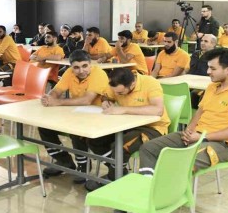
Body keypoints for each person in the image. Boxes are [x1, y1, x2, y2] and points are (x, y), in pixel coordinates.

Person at [138, 47, 228, 174]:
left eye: (213, 69)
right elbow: (200, 113)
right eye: (208, 67)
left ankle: (166, 185)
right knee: (148, 148)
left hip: (223, 144)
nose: (208, 72)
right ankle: (149, 181)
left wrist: (203, 137)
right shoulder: (212, 87)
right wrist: (188, 132)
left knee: (179, 162)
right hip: (197, 135)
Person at [85, 68, 170, 190]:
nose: (117, 95)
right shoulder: (116, 84)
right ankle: (120, 171)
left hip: (152, 128)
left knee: (121, 147)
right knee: (95, 139)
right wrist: (105, 101)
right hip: (127, 125)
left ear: (133, 84)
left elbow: (158, 110)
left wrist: (123, 109)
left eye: (120, 93)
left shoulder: (150, 83)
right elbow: (106, 96)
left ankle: (113, 177)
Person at [40, 50, 110, 181]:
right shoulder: (69, 73)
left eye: (85, 66)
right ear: (71, 67)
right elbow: (57, 90)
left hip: (99, 116)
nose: (81, 70)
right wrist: (49, 98)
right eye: (76, 67)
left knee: (75, 129)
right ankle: (64, 161)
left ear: (90, 64)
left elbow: (87, 100)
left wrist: (57, 102)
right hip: (76, 112)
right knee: (44, 127)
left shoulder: (99, 73)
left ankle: (83, 166)